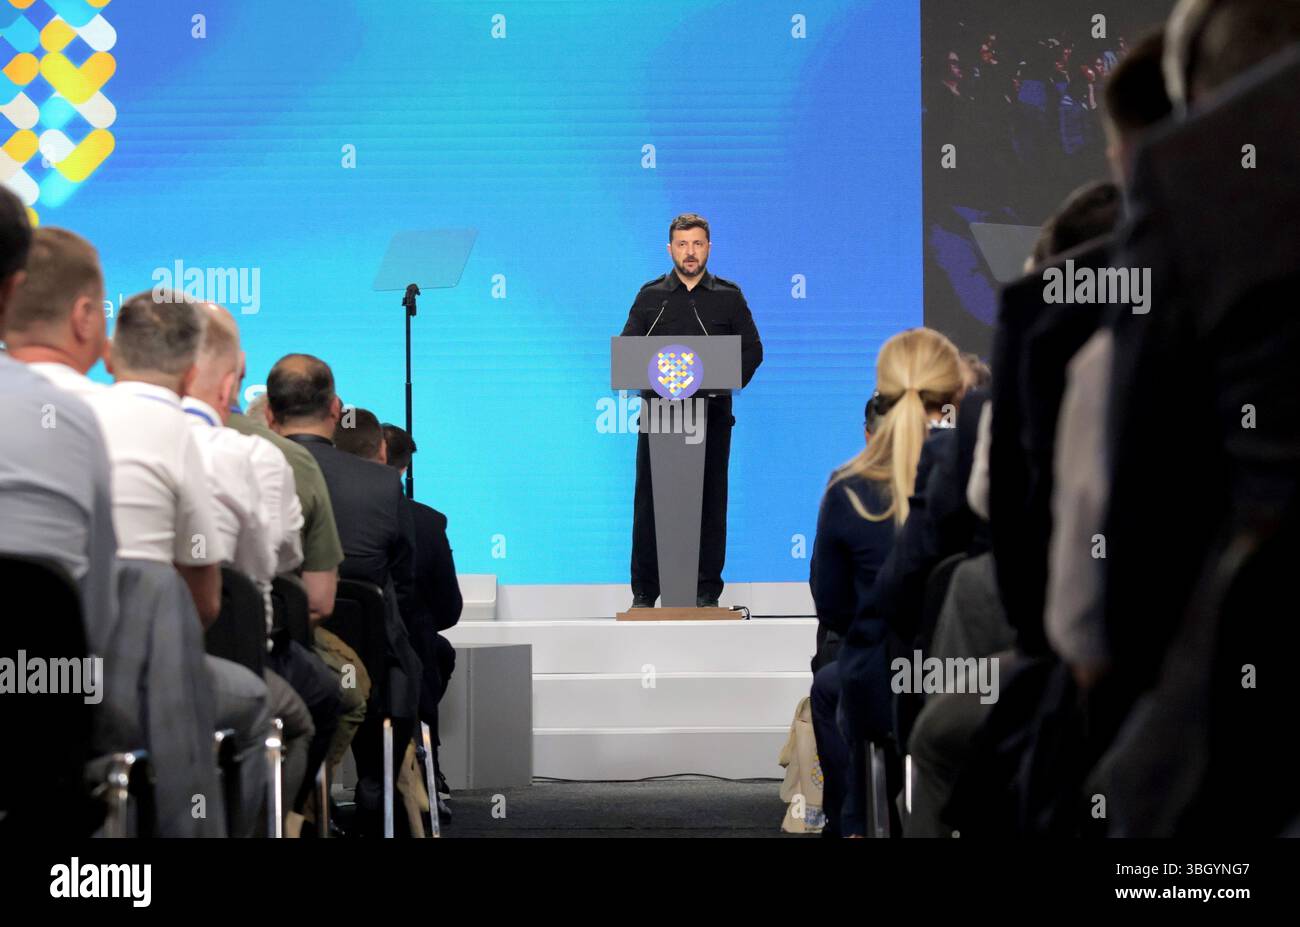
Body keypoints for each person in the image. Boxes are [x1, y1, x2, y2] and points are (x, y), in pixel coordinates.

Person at [184, 303, 342, 834]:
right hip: (226, 664)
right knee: (320, 697)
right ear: (231, 385)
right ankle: (280, 823)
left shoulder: (94, 432)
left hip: (85, 670)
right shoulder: (260, 460)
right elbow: (280, 583)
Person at [809, 328, 964, 837]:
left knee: (837, 685)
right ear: (954, 393)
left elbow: (833, 611)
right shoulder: (987, 477)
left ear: (882, 394)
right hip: (976, 680)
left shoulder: (847, 490)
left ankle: (852, 823)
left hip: (884, 688)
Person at [266, 353, 424, 836]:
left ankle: (293, 809)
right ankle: (374, 796)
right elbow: (404, 582)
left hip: (267, 651)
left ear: (269, 415)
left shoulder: (251, 468)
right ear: (336, 408)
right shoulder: (381, 483)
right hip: (373, 659)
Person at [619, 213, 763, 608]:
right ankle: (645, 593)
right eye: (682, 245)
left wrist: (724, 377)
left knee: (710, 504)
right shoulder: (651, 298)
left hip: (712, 419)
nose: (690, 252)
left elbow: (753, 350)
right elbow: (629, 351)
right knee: (649, 506)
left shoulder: (728, 297)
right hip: (660, 419)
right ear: (670, 249)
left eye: (697, 244)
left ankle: (704, 593)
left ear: (709, 248)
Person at [381, 422, 462, 813]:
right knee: (428, 647)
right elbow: (449, 608)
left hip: (344, 650)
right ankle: (426, 769)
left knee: (429, 647)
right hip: (408, 652)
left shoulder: (330, 512)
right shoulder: (429, 523)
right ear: (403, 466)